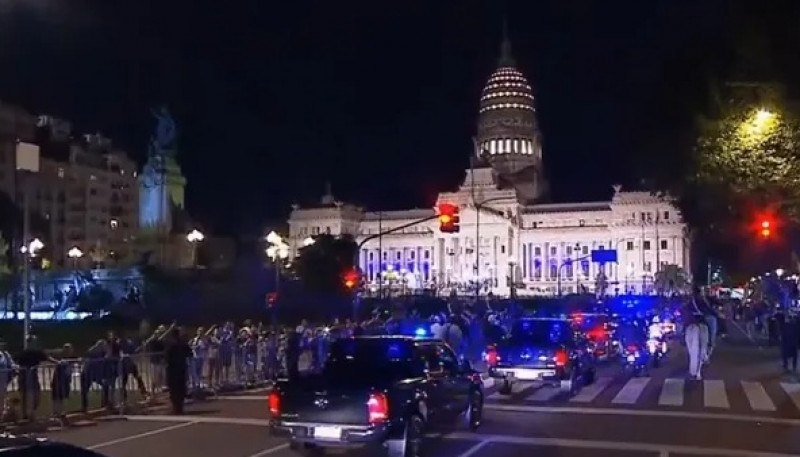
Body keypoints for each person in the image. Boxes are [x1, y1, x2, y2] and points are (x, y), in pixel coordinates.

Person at [684, 288, 710, 380]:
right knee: (702, 349)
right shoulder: (703, 302)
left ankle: (693, 370)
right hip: (702, 325)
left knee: (692, 350)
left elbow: (683, 311)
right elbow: (709, 311)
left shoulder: (688, 302)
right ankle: (698, 371)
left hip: (690, 325)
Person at [165, 328, 192, 414]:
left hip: (173, 370)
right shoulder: (183, 343)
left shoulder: (170, 344)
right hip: (182, 369)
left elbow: (167, 357)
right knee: (181, 388)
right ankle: (180, 407)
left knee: (173, 389)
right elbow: (190, 353)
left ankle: (176, 408)